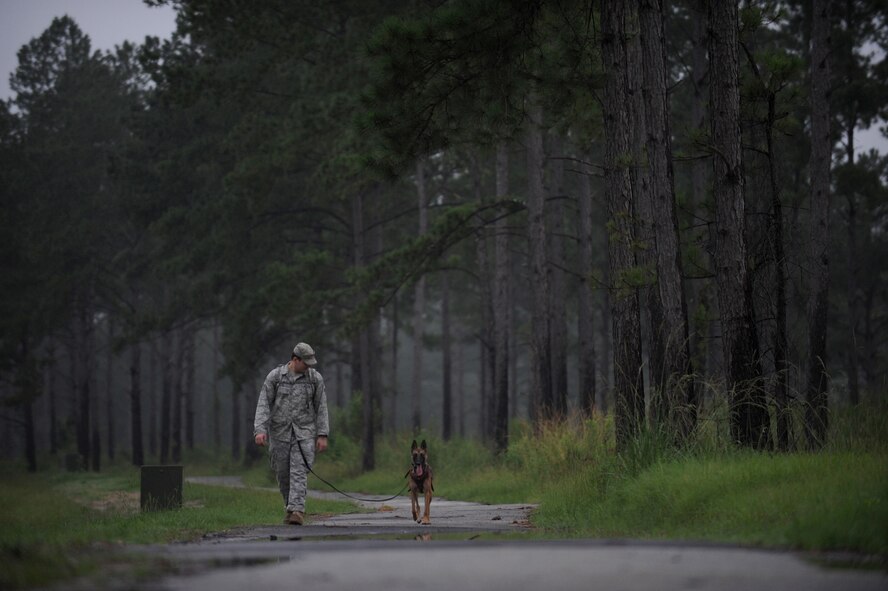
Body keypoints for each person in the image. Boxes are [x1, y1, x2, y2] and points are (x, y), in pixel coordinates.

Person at [254, 342, 329, 525]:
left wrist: (322, 434)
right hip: (280, 433)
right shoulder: (275, 377)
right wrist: (260, 430)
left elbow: (321, 407)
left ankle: (297, 510)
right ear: (295, 360)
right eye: (306, 362)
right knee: (283, 474)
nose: (309, 366)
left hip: (304, 433)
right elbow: (264, 403)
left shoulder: (314, 379)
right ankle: (290, 507)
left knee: (298, 471)